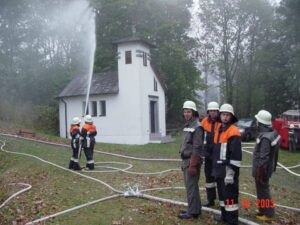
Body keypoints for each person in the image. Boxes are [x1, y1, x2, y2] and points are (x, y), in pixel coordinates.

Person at [212, 103, 242, 225]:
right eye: (223, 114)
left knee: (230, 198)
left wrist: (230, 173)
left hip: (228, 170)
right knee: (223, 196)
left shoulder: (233, 131)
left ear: (231, 117)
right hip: (219, 170)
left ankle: (232, 220)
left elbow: (235, 156)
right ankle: (224, 217)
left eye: (227, 115)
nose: (225, 117)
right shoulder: (219, 129)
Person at [178, 100, 204, 219]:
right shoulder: (188, 125)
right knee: (191, 186)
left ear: (193, 112)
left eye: (188, 112)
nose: (186, 114)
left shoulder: (197, 127)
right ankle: (195, 208)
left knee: (191, 187)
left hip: (191, 161)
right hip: (186, 160)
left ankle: (193, 212)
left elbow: (197, 147)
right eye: (185, 112)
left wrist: (193, 164)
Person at [252, 110, 280, 221]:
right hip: (266, 168)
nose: (256, 122)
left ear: (261, 123)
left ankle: (268, 214)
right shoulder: (272, 133)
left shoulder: (265, 138)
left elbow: (264, 157)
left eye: (257, 121)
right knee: (261, 190)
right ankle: (262, 210)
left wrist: (260, 172)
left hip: (262, 169)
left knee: (263, 190)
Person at [201, 101, 220, 207]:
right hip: (208, 155)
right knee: (209, 179)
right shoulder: (204, 122)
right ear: (208, 111)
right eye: (211, 111)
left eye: (215, 111)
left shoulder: (222, 122)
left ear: (218, 112)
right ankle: (210, 199)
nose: (213, 113)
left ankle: (223, 200)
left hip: (218, 156)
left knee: (219, 178)